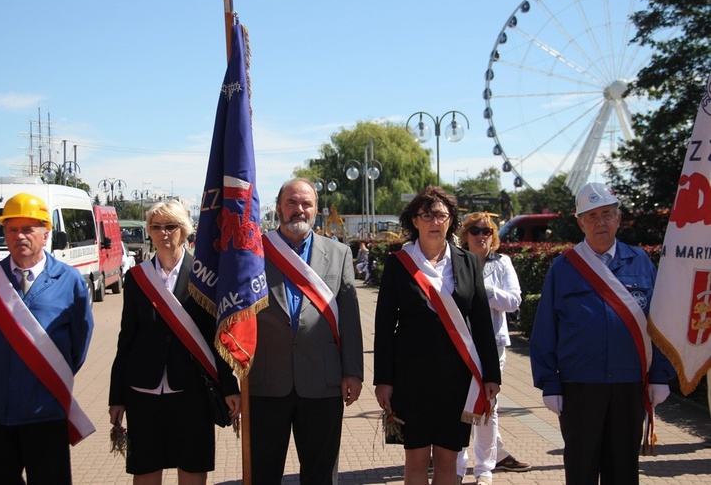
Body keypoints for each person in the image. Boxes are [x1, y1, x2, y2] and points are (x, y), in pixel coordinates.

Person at [530, 182, 675, 485]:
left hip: (629, 384)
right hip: (580, 385)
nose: (601, 222)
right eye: (592, 216)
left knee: (623, 470)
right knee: (581, 469)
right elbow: (545, 330)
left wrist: (660, 375)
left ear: (618, 219)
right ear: (580, 222)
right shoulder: (563, 268)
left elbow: (660, 323)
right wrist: (549, 382)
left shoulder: (640, 262)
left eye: (607, 214)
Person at [374, 186, 501, 485]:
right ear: (414, 221)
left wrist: (491, 376)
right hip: (410, 378)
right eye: (426, 215)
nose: (434, 221)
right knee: (416, 458)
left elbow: (482, 322)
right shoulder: (397, 264)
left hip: (457, 379)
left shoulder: (468, 262)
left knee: (449, 459)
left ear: (451, 220)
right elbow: (383, 328)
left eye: (441, 215)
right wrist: (384, 380)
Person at [109, 200, 241, 484]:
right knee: (145, 468)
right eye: (156, 227)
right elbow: (126, 338)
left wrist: (229, 385)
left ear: (184, 230)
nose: (163, 233)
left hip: (193, 389)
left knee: (193, 466)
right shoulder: (136, 278)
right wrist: (116, 396)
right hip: (142, 389)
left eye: (170, 226)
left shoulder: (206, 277)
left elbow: (217, 337)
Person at [0, 192, 94, 483]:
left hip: (45, 410)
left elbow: (79, 343)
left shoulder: (70, 280)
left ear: (45, 233)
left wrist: (46, 372)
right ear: (4, 234)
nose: (20, 236)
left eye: (28, 229)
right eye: (12, 229)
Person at [252, 178, 364, 484]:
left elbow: (350, 319)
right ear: (278, 208)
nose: (298, 210)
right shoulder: (254, 253)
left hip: (322, 380)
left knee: (321, 474)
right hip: (266, 381)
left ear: (315, 210)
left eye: (306, 204)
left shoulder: (339, 253)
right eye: (291, 203)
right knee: (264, 472)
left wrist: (353, 371)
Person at [455, 212, 530, 484]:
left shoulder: (503, 263)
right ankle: (457, 467)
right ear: (465, 235)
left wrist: (484, 290)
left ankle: (485, 470)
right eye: (474, 231)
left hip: (493, 346)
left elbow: (514, 301)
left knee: (488, 406)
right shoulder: (454, 261)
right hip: (460, 344)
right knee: (460, 406)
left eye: (486, 231)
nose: (481, 236)